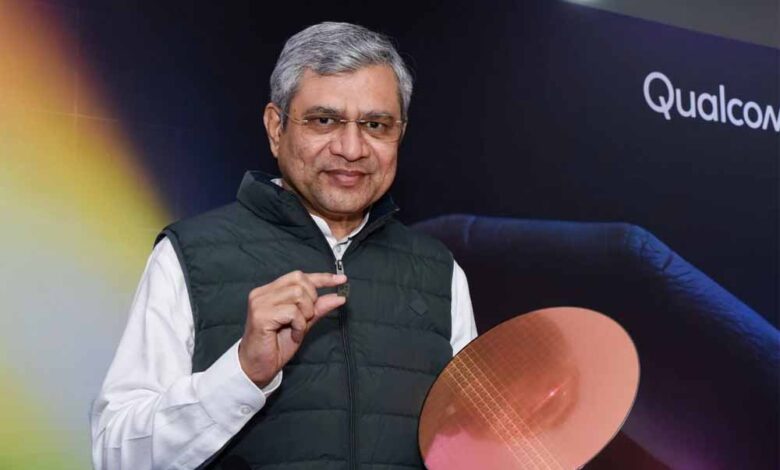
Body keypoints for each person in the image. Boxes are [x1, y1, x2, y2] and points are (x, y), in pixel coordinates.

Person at [90, 21, 477, 470]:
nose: (352, 148)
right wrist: (241, 373)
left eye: (375, 125)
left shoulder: (439, 272)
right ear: (277, 128)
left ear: (400, 134)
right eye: (324, 120)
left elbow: (470, 449)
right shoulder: (190, 256)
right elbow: (117, 455)